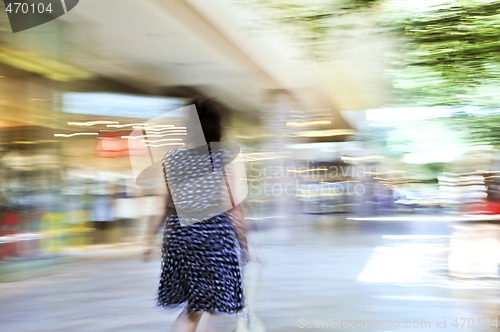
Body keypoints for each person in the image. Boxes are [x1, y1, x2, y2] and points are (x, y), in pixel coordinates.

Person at [142, 98, 249, 332]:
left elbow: (162, 203)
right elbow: (234, 207)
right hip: (213, 240)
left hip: (180, 239)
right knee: (199, 308)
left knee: (200, 304)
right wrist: (245, 245)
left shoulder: (171, 159)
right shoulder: (224, 158)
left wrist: (149, 239)